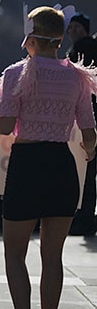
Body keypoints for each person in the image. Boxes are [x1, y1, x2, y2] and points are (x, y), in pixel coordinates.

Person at [0, 5, 97, 309]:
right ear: (60, 39)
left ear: (31, 37)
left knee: (15, 250)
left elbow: (4, 124)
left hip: (27, 164)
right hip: (61, 165)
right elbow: (89, 132)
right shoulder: (77, 76)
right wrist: (88, 153)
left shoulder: (18, 73)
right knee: (53, 256)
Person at [66, 12, 97, 235]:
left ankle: (84, 219)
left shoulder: (81, 49)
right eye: (71, 27)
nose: (74, 31)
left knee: (86, 170)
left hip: (88, 115)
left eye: (78, 27)